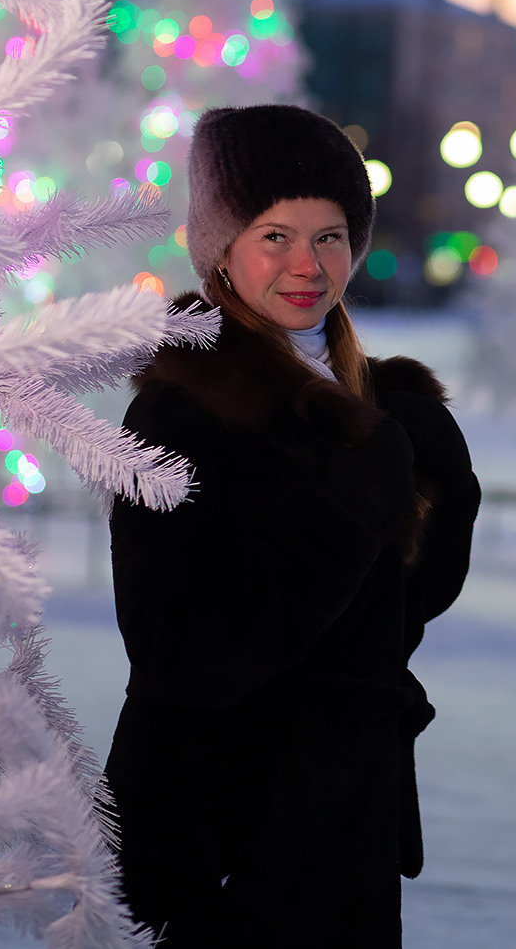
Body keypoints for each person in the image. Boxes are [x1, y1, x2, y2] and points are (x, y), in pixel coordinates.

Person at [104, 104, 481, 946]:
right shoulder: (180, 416)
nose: (307, 264)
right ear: (221, 251)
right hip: (220, 839)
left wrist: (440, 496)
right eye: (275, 234)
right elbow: (182, 658)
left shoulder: (375, 408)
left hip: (344, 825)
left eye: (331, 235)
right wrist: (353, 503)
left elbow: (388, 622)